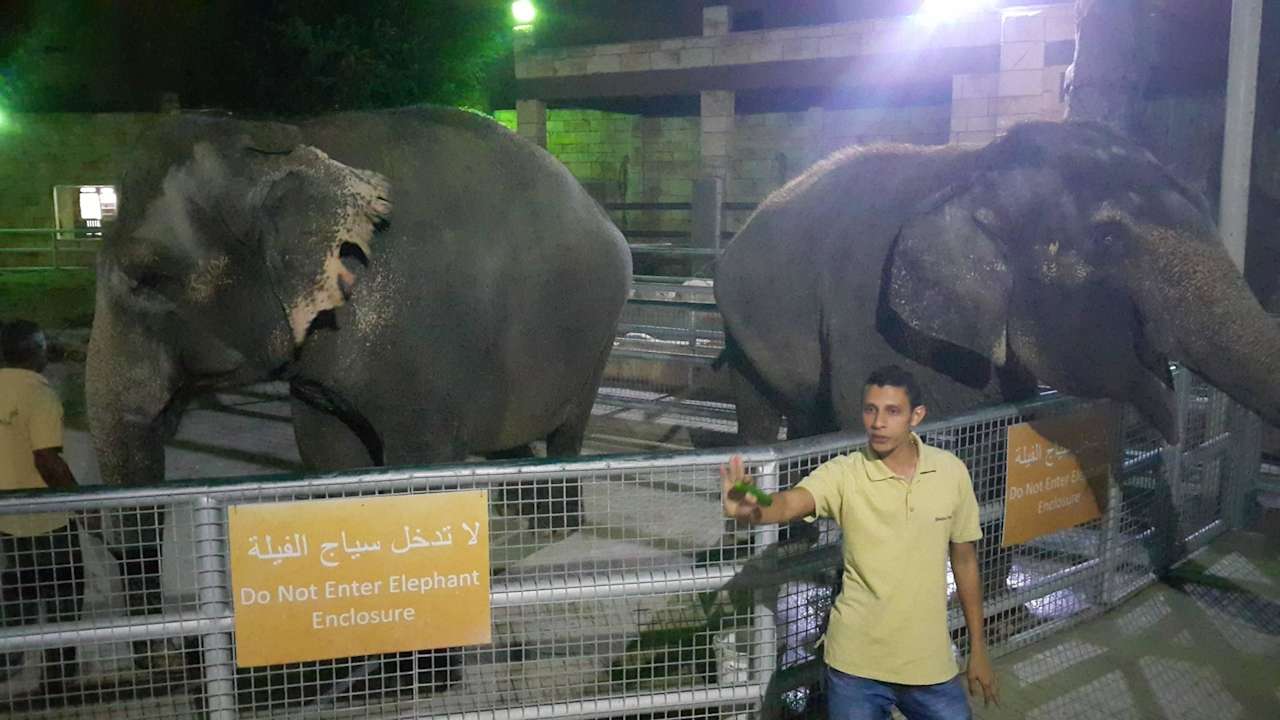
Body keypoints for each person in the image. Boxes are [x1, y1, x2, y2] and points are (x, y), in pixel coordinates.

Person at [721, 365, 998, 720]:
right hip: (855, 668)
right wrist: (751, 506)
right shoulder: (844, 473)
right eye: (871, 410)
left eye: (892, 411)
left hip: (930, 666)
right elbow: (789, 502)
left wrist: (978, 649)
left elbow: (965, 561)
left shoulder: (950, 472)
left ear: (917, 416)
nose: (878, 422)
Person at [0, 320, 84, 693]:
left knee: (16, 600)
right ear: (36, 353)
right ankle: (58, 677)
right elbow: (46, 460)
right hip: (48, 521)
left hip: (6, 520)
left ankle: (9, 667)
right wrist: (82, 502)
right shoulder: (39, 393)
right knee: (64, 599)